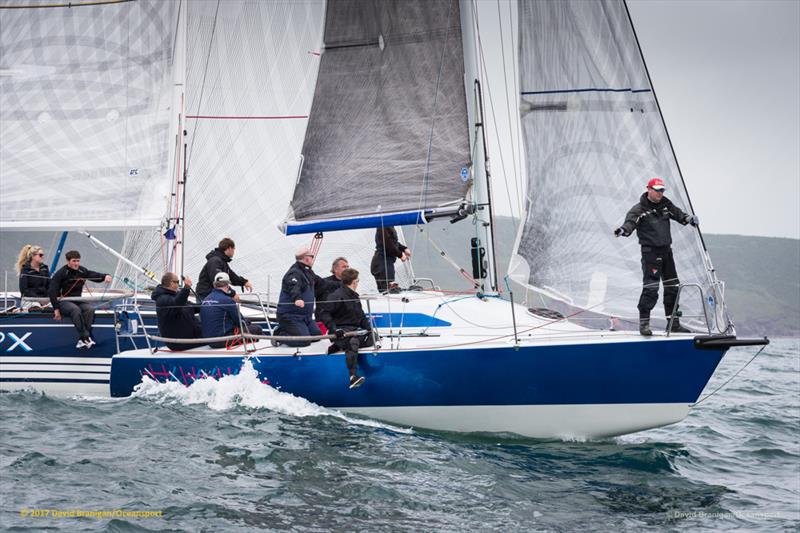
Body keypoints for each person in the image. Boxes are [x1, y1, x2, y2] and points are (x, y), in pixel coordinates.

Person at [614, 177, 699, 336]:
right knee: (651, 289)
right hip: (650, 253)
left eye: (662, 190)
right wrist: (622, 231)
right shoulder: (638, 209)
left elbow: (679, 214)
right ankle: (644, 325)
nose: (660, 193)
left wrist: (689, 219)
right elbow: (630, 224)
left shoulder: (666, 204)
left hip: (667, 252)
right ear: (649, 189)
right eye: (657, 190)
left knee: (673, 287)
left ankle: (673, 324)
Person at [318, 268, 374, 388]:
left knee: (373, 337)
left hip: (353, 331)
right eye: (357, 280)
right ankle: (353, 376)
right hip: (340, 332)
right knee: (353, 342)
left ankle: (338, 346)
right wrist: (333, 329)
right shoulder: (336, 296)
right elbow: (323, 313)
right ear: (354, 282)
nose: (358, 283)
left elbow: (361, 316)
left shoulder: (354, 296)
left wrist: (369, 329)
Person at [49, 250, 112, 349]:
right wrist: (56, 309)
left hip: (77, 300)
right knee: (75, 310)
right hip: (64, 301)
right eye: (74, 261)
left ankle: (82, 340)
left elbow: (92, 275)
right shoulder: (61, 273)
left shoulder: (81, 271)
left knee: (90, 309)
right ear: (68, 261)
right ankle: (86, 337)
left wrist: (105, 276)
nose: (76, 263)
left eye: (78, 261)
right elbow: (52, 291)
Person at [276, 246, 328, 347]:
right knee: (304, 341)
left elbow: (323, 283)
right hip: (290, 316)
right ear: (307, 258)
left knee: (316, 336)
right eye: (312, 256)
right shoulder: (294, 272)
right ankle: (279, 335)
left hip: (305, 317)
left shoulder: (308, 272)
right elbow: (293, 286)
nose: (313, 258)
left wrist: (342, 284)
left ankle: (296, 331)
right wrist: (297, 298)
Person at [200, 272, 263, 349]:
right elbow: (240, 322)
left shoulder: (205, 300)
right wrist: (248, 322)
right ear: (227, 286)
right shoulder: (227, 300)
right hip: (221, 340)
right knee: (257, 329)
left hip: (209, 341)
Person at [151, 273, 206, 351]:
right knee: (216, 337)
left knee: (214, 333)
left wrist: (208, 303)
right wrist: (186, 288)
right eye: (176, 281)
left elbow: (191, 307)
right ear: (170, 283)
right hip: (179, 342)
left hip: (191, 336)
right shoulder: (162, 299)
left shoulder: (175, 296)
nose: (178, 284)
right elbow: (177, 303)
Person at [370, 226, 411, 292]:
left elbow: (393, 242)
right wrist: (400, 255)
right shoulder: (383, 225)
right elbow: (388, 243)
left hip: (382, 262)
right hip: (383, 263)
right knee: (389, 291)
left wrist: (404, 248)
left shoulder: (388, 225)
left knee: (387, 291)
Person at [15, 245, 50, 310]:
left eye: (43, 255)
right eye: (40, 255)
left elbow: (49, 285)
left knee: (55, 306)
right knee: (36, 307)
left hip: (44, 299)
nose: (42, 257)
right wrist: (38, 299)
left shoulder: (45, 268)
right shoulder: (25, 270)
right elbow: (24, 290)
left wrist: (47, 297)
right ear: (33, 256)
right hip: (29, 299)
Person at [314, 256, 349, 322]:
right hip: (325, 320)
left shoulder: (349, 283)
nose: (347, 269)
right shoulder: (324, 282)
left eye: (348, 267)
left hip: (342, 320)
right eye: (344, 267)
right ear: (335, 269)